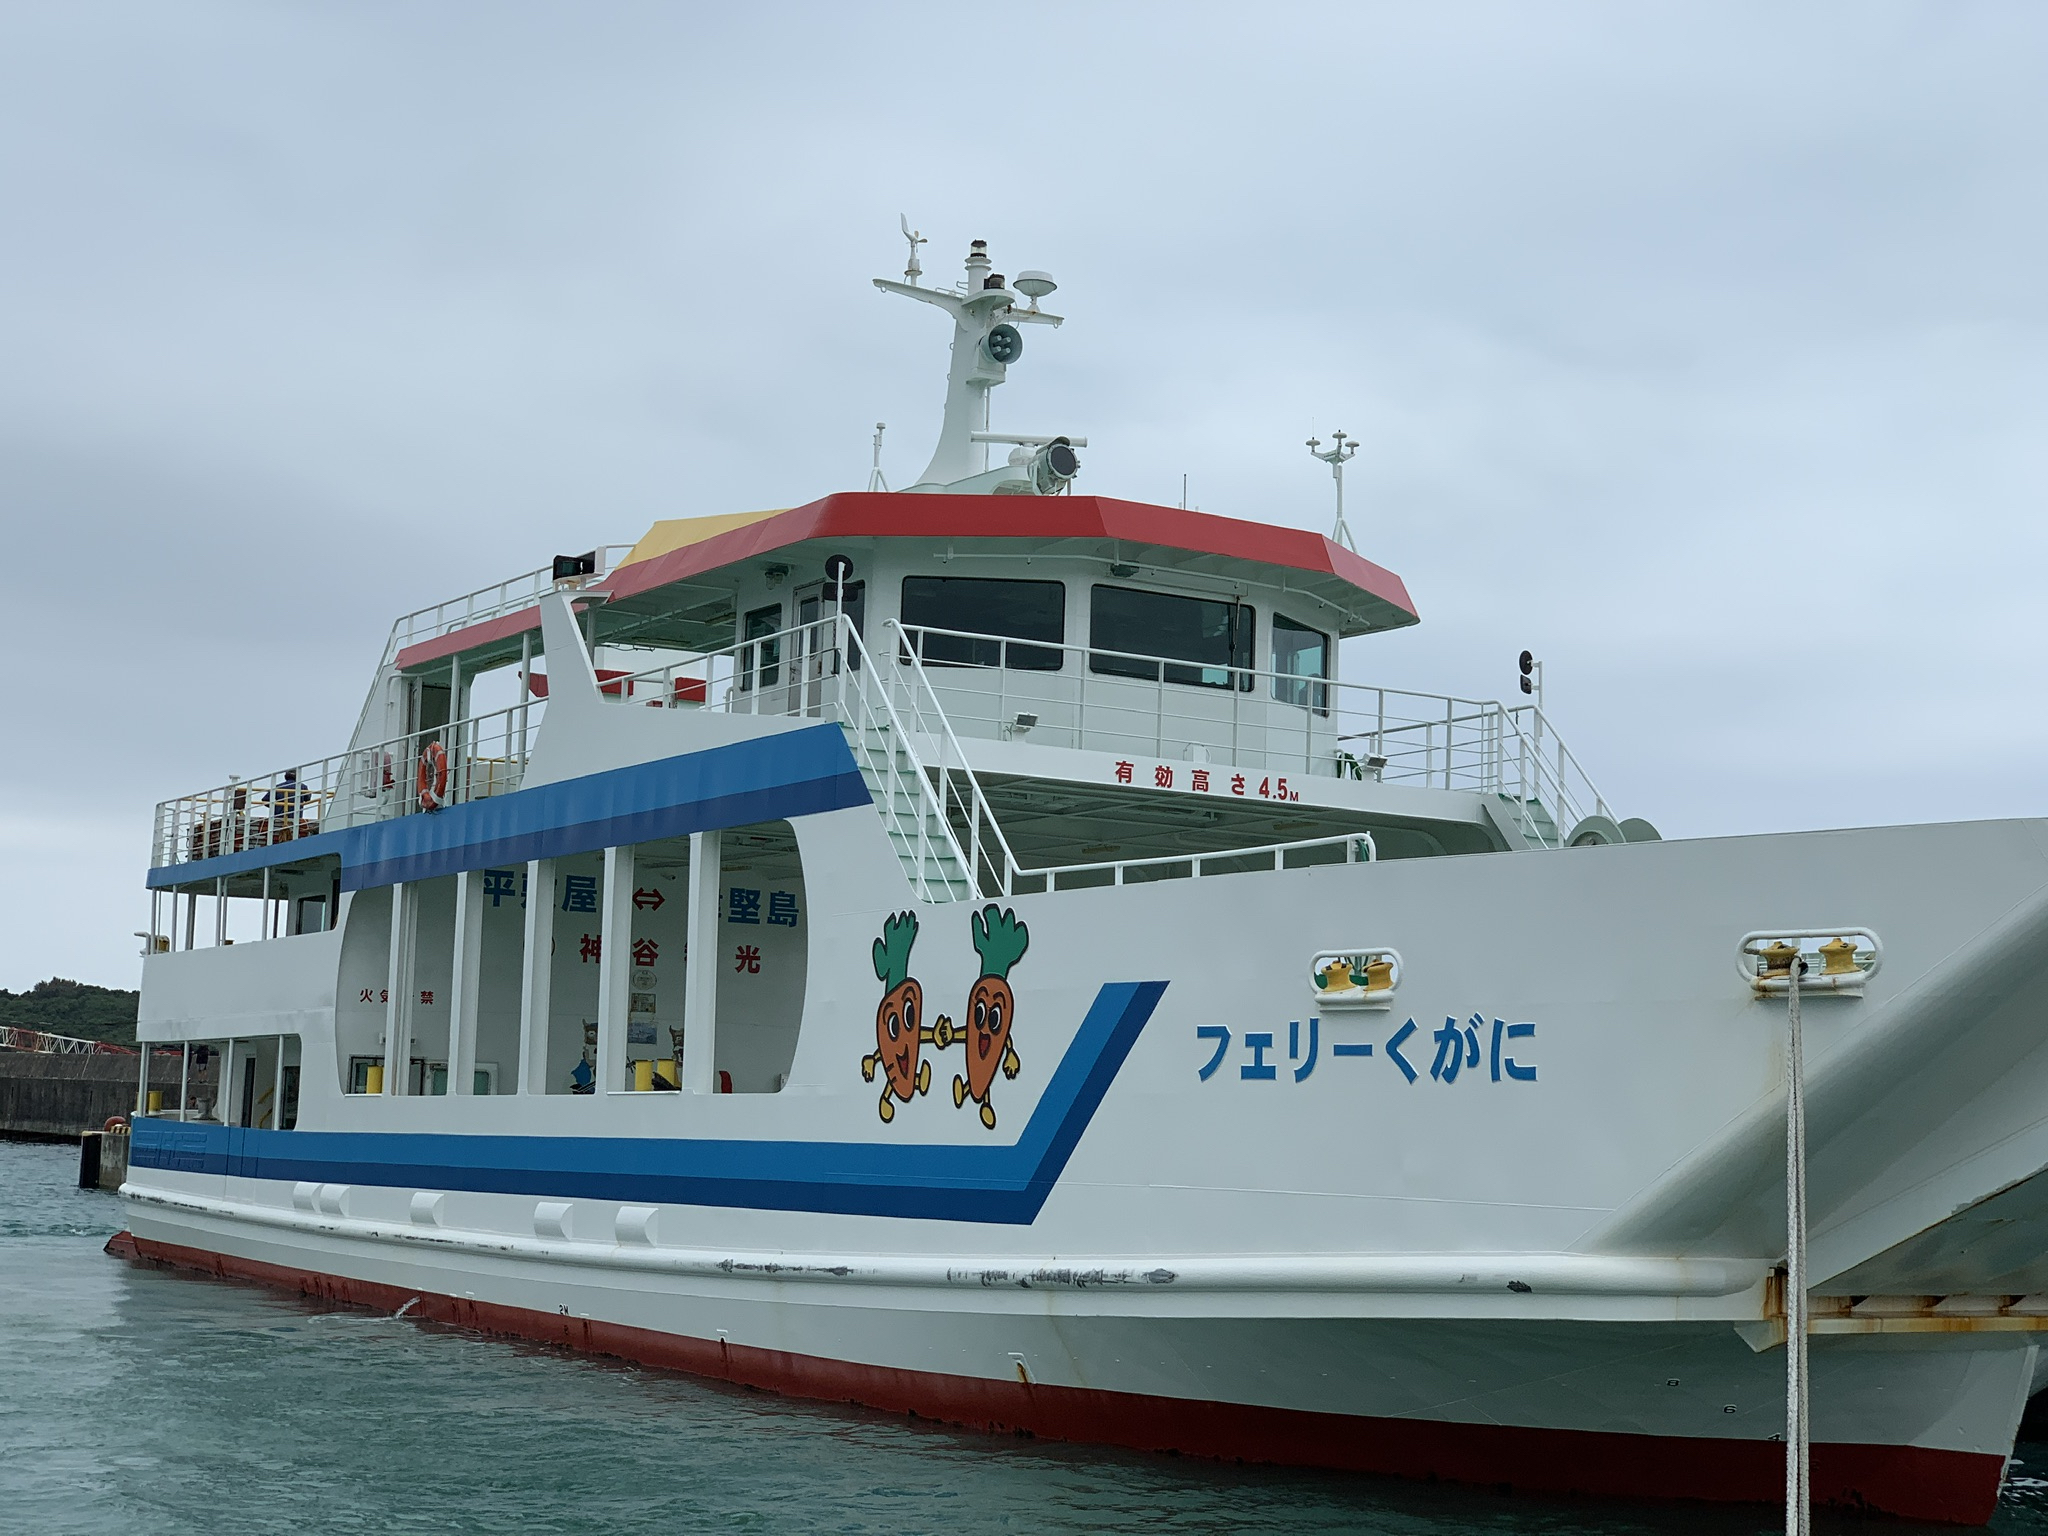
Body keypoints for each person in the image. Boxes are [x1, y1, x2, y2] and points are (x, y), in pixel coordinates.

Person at [266, 771, 309, 841]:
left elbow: (265, 800)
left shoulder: (278, 787)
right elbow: (308, 799)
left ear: (285, 777)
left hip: (279, 817)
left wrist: (276, 807)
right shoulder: (303, 787)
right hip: (296, 817)